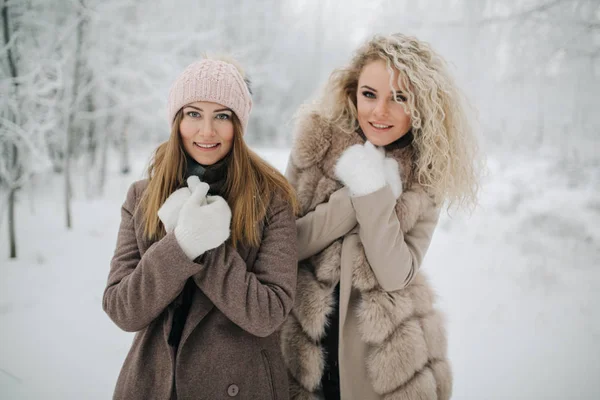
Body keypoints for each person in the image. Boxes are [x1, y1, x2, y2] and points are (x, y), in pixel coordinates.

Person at [281, 33, 481, 400]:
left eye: (399, 98)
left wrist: (375, 193)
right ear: (353, 92)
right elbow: (285, 245)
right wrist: (351, 197)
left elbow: (394, 273)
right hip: (302, 345)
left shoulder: (427, 175)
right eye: (369, 94)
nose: (379, 111)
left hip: (385, 362)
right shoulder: (316, 142)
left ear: (421, 105)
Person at [103, 56, 298, 400]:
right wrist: (180, 246)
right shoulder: (142, 196)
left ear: (238, 124)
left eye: (221, 116)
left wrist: (207, 245)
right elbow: (122, 308)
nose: (206, 131)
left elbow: (269, 313)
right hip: (155, 386)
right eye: (193, 114)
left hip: (242, 384)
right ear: (176, 120)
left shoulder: (271, 198)